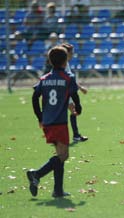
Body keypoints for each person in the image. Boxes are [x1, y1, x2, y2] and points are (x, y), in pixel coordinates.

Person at [28, 46, 82, 198]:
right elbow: (74, 95)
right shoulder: (68, 77)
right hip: (60, 122)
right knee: (63, 156)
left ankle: (58, 190)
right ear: (66, 61)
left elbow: (34, 97)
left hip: (47, 122)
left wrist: (39, 117)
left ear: (50, 61)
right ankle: (36, 174)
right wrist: (78, 107)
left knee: (59, 154)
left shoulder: (44, 79)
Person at [60, 43, 89, 142]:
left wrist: (80, 88)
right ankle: (74, 136)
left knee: (72, 111)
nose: (73, 54)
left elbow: (70, 79)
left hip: (65, 92)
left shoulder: (65, 63)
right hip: (64, 92)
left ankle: (74, 135)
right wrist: (80, 88)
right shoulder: (62, 65)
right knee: (72, 111)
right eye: (71, 52)